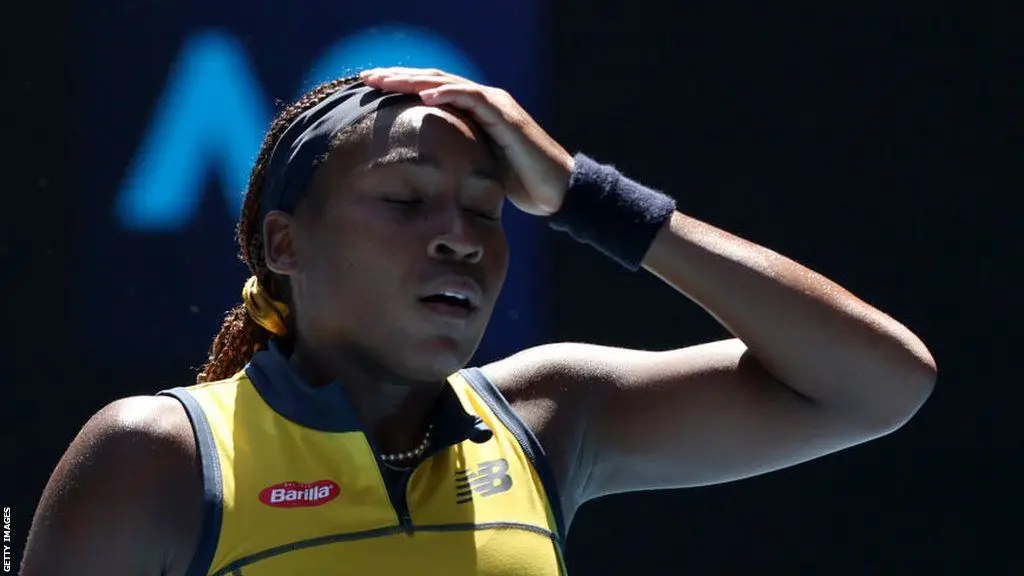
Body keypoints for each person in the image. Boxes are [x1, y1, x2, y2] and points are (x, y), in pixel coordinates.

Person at [21, 67, 936, 576]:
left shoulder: (550, 415)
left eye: (488, 210)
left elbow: (880, 384)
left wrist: (587, 198)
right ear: (283, 244)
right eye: (406, 200)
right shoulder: (155, 457)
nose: (459, 238)